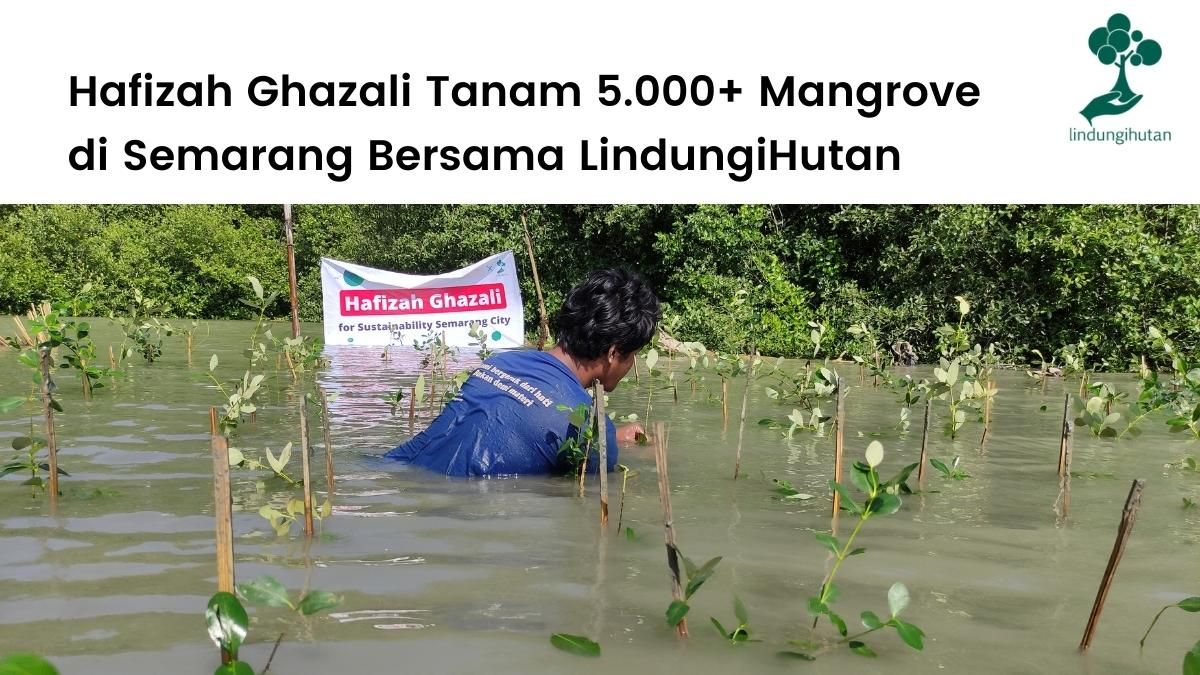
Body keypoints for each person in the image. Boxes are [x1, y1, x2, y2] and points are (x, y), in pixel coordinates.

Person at [385, 268, 660, 476]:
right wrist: (608, 441)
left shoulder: (501, 362)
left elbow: (523, 419)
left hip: (396, 467)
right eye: (634, 355)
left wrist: (613, 436)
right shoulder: (589, 430)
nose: (632, 364)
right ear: (613, 353)